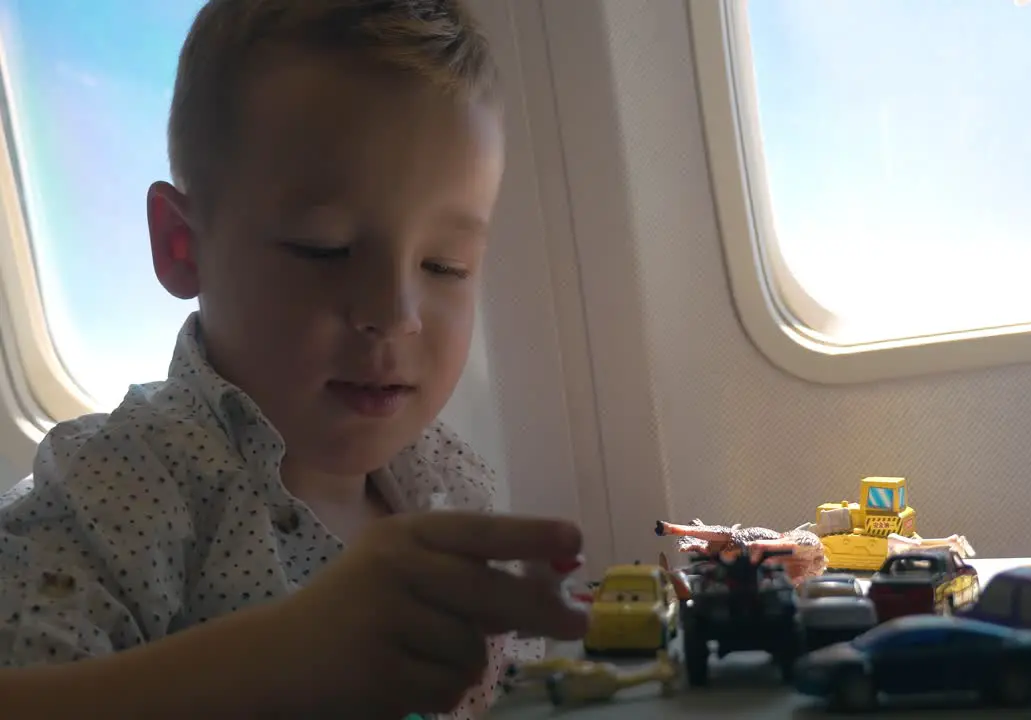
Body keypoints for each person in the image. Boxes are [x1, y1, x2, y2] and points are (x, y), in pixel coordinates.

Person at [0, 0, 589, 717]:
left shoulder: (449, 481)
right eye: (326, 250)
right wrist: (274, 660)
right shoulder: (115, 494)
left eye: (445, 264)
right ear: (183, 247)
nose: (395, 314)